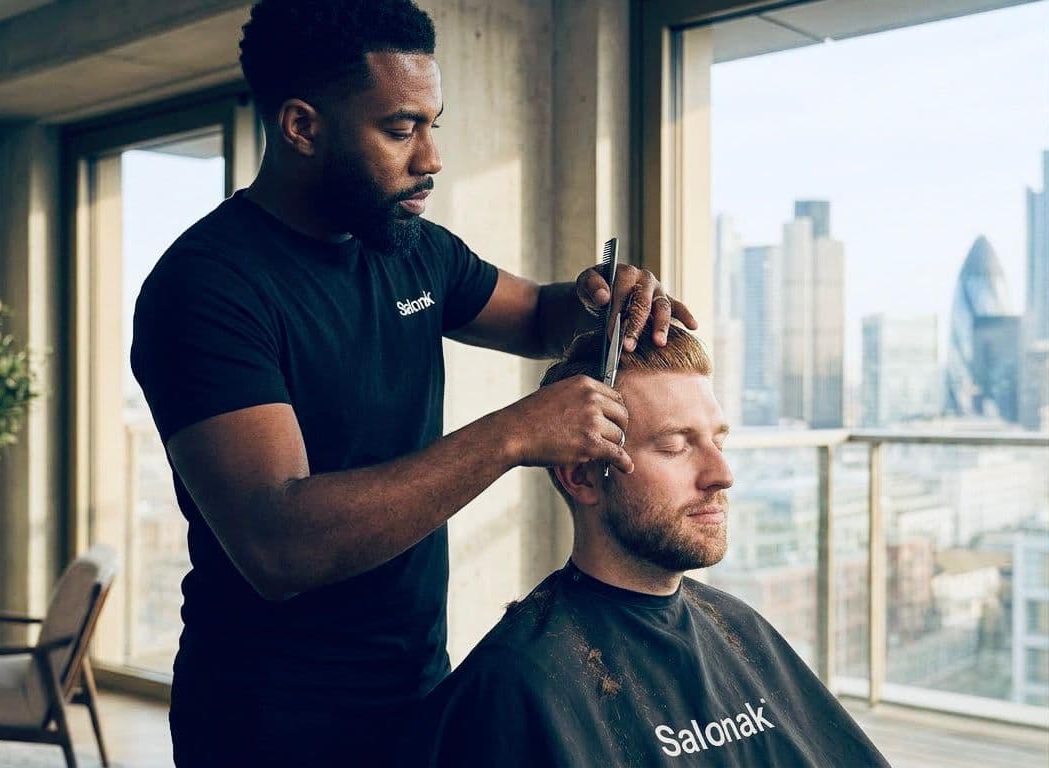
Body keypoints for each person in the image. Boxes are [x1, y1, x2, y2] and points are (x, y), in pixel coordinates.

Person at [128, 0, 693, 764]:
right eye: (400, 129)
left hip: (415, 681)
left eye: (434, 125)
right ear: (302, 125)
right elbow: (280, 544)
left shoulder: (409, 249)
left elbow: (536, 317)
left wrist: (603, 294)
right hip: (269, 720)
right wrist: (516, 433)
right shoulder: (208, 288)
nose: (430, 157)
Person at [419, 326, 891, 767]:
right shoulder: (515, 683)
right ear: (583, 475)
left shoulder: (738, 626)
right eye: (674, 446)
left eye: (717, 441)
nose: (722, 474)